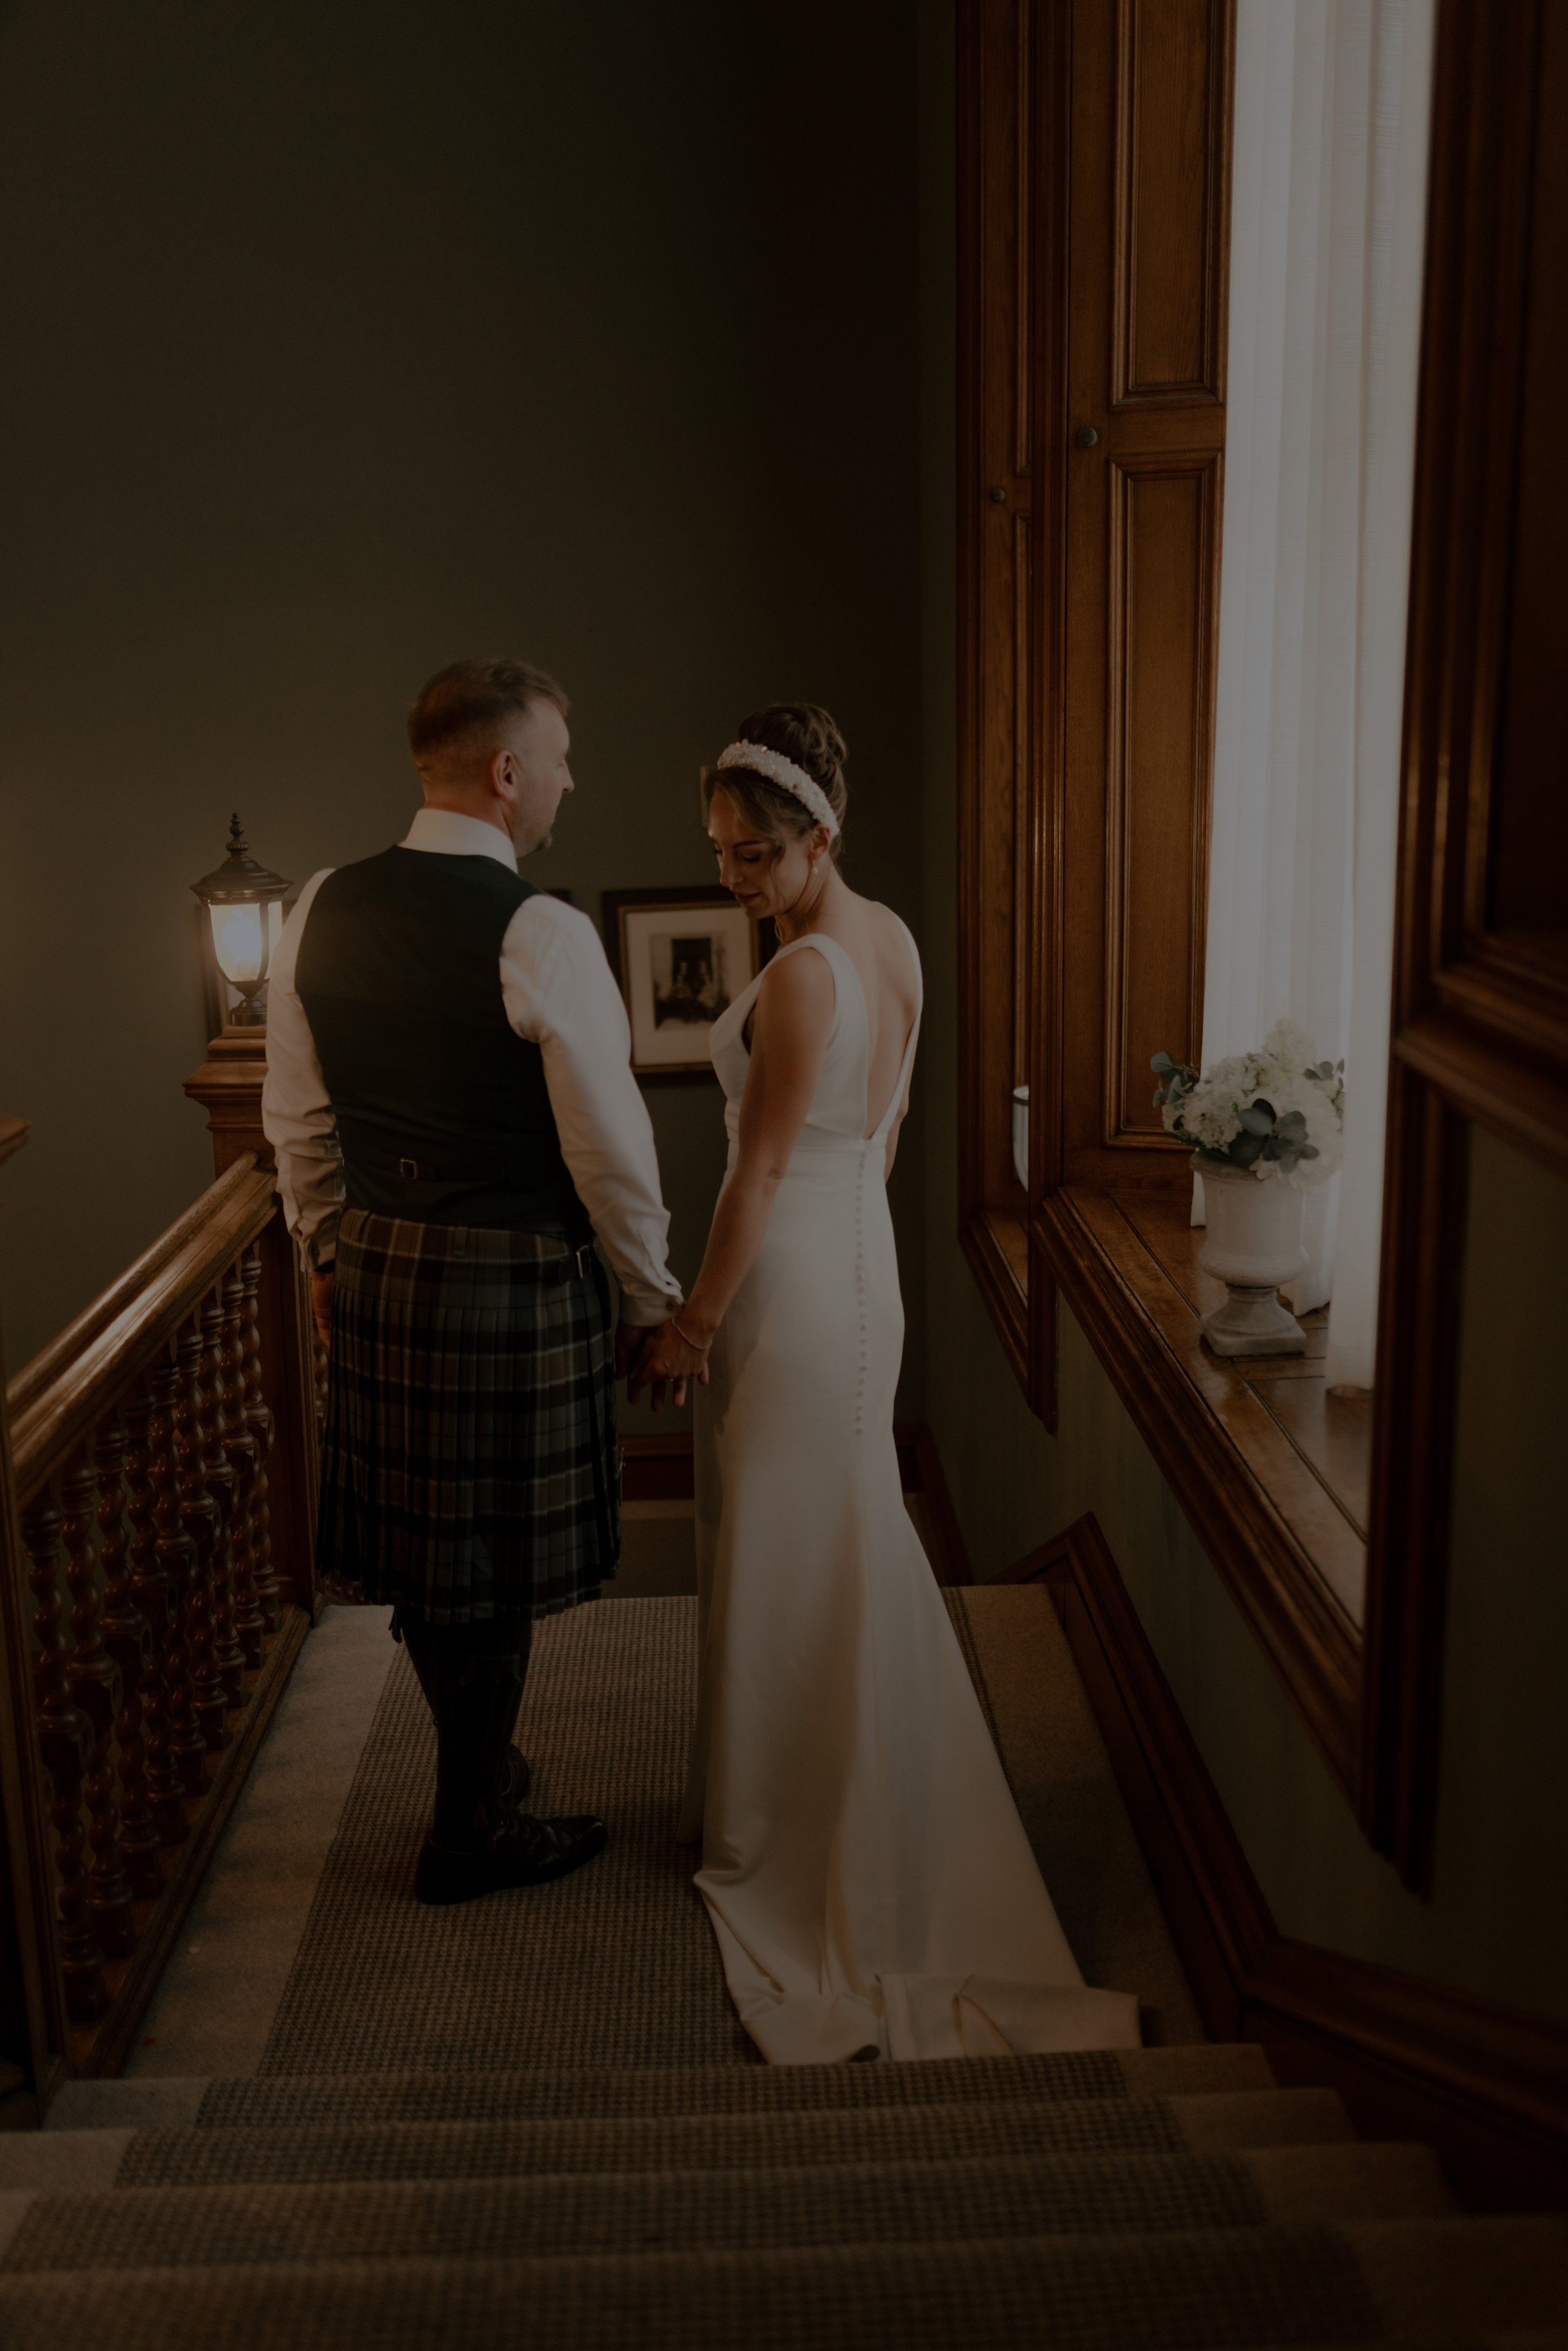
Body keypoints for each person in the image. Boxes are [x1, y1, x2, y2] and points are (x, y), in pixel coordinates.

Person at [633, 704, 1140, 2064]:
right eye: (721, 852)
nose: (733, 878)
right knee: (837, 1534)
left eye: (753, 856)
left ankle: (797, 1829)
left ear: (820, 838)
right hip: (856, 1255)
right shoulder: (895, 939)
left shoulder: (805, 978)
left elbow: (751, 1170)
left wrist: (689, 1324)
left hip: (788, 1280)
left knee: (798, 1543)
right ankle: (828, 1786)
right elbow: (890, 1125)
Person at [263, 657, 681, 1906]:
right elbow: (611, 1150)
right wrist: (650, 1298)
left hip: (385, 1263)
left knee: (442, 1560)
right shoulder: (539, 928)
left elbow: (298, 1118)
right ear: (505, 773)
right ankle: (471, 1819)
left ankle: (477, 1780)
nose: (567, 779)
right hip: (509, 1276)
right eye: (557, 755)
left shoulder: (319, 902)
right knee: (485, 1563)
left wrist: (328, 1250)